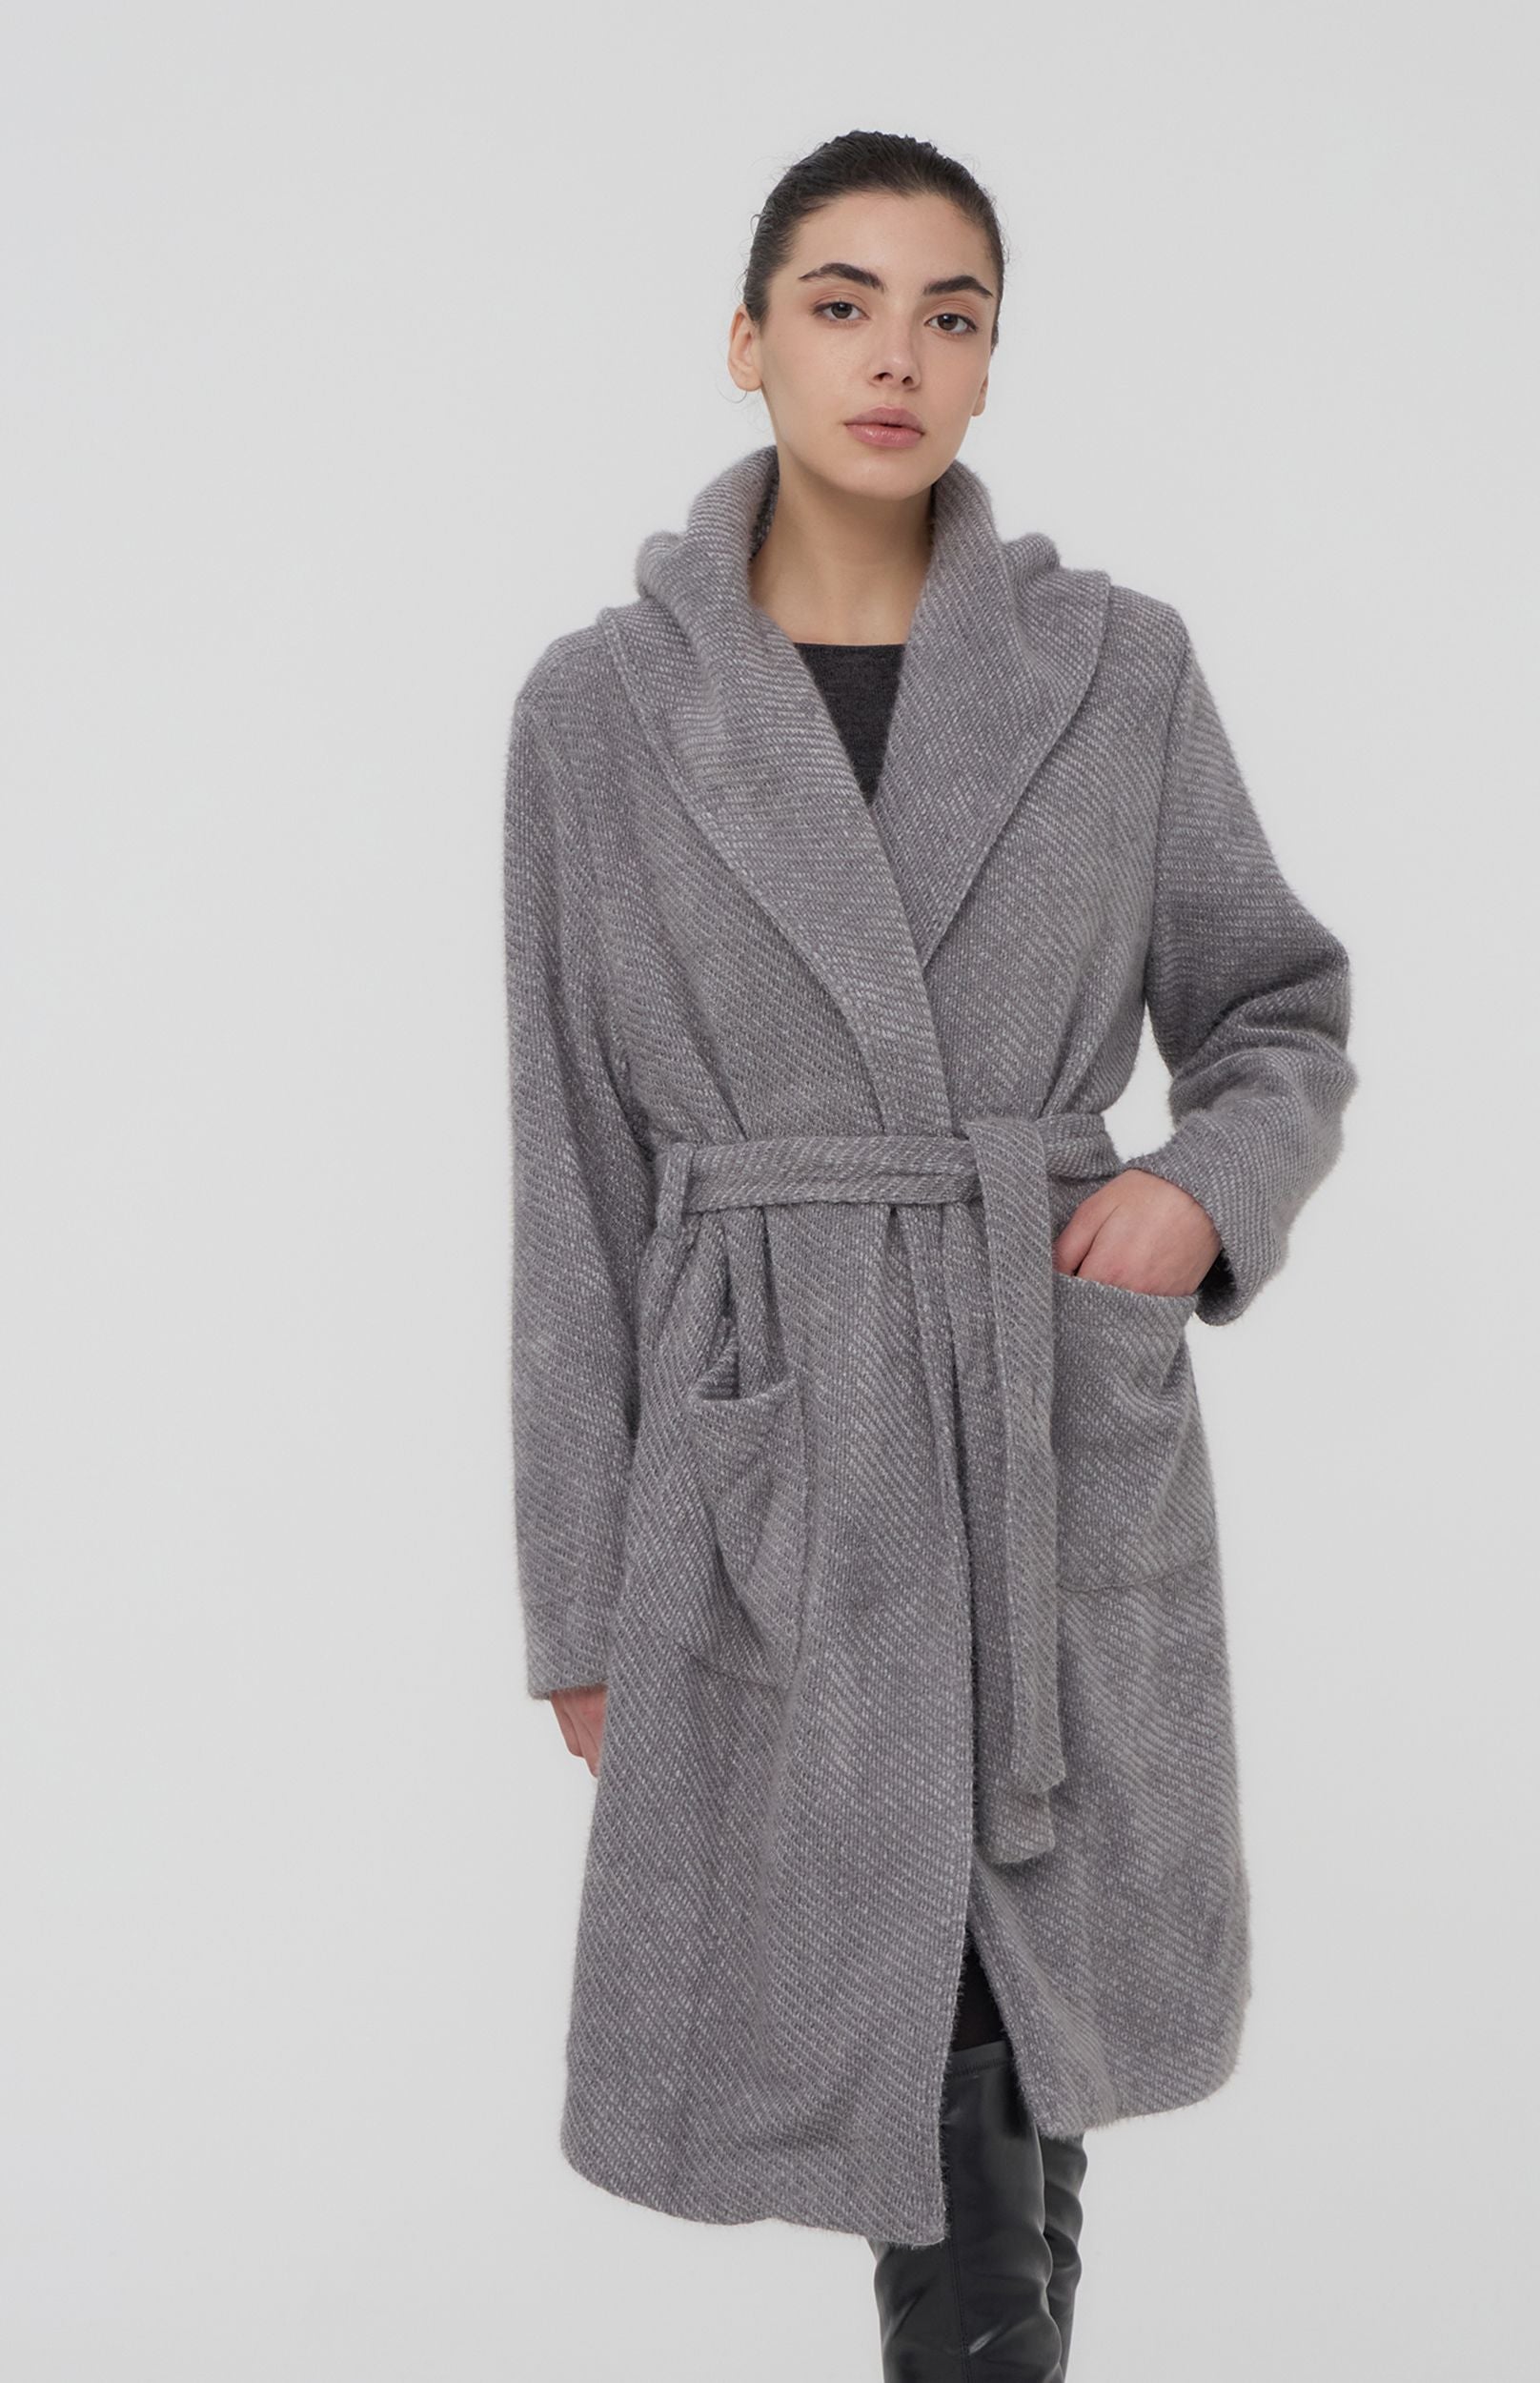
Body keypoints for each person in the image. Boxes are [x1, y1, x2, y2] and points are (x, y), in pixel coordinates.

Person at [502, 130, 1357, 2379]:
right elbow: (568, 1168)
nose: (894, 354)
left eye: (948, 313)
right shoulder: (599, 712)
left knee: (1003, 2012)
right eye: (842, 301)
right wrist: (579, 1590)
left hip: (1035, 1403)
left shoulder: (1114, 669)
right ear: (746, 340)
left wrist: (1194, 1197)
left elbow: (1275, 1012)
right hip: (766, 1445)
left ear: (988, 364)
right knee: (938, 2036)